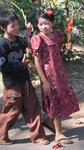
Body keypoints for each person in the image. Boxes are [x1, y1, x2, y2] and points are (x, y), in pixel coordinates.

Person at [31, 8, 80, 146]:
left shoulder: (58, 36)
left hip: (60, 74)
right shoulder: (37, 39)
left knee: (61, 99)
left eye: (46, 23)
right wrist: (44, 80)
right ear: (37, 24)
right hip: (49, 77)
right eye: (40, 24)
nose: (43, 26)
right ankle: (58, 133)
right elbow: (37, 61)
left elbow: (58, 53)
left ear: (52, 23)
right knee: (55, 101)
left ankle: (49, 121)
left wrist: (68, 48)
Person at [0, 10, 49, 145]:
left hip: (25, 81)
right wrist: (21, 64)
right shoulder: (2, 44)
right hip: (12, 84)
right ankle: (1, 135)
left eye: (17, 24)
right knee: (12, 110)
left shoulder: (20, 40)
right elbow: (3, 66)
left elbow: (29, 49)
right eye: (12, 26)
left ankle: (38, 136)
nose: (16, 28)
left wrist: (28, 35)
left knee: (33, 107)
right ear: (3, 28)